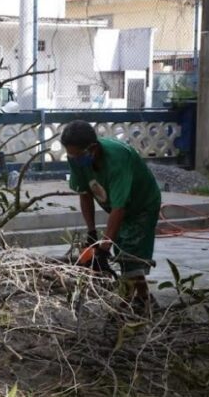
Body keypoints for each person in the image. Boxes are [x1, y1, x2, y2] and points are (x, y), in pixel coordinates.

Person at [60, 120, 161, 313]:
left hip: (142, 205)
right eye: (70, 155)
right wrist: (92, 232)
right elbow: (85, 193)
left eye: (78, 155)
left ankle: (123, 308)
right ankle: (145, 299)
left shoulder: (117, 159)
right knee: (125, 251)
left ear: (93, 148)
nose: (74, 159)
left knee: (129, 254)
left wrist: (104, 247)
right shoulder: (76, 158)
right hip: (118, 207)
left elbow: (119, 208)